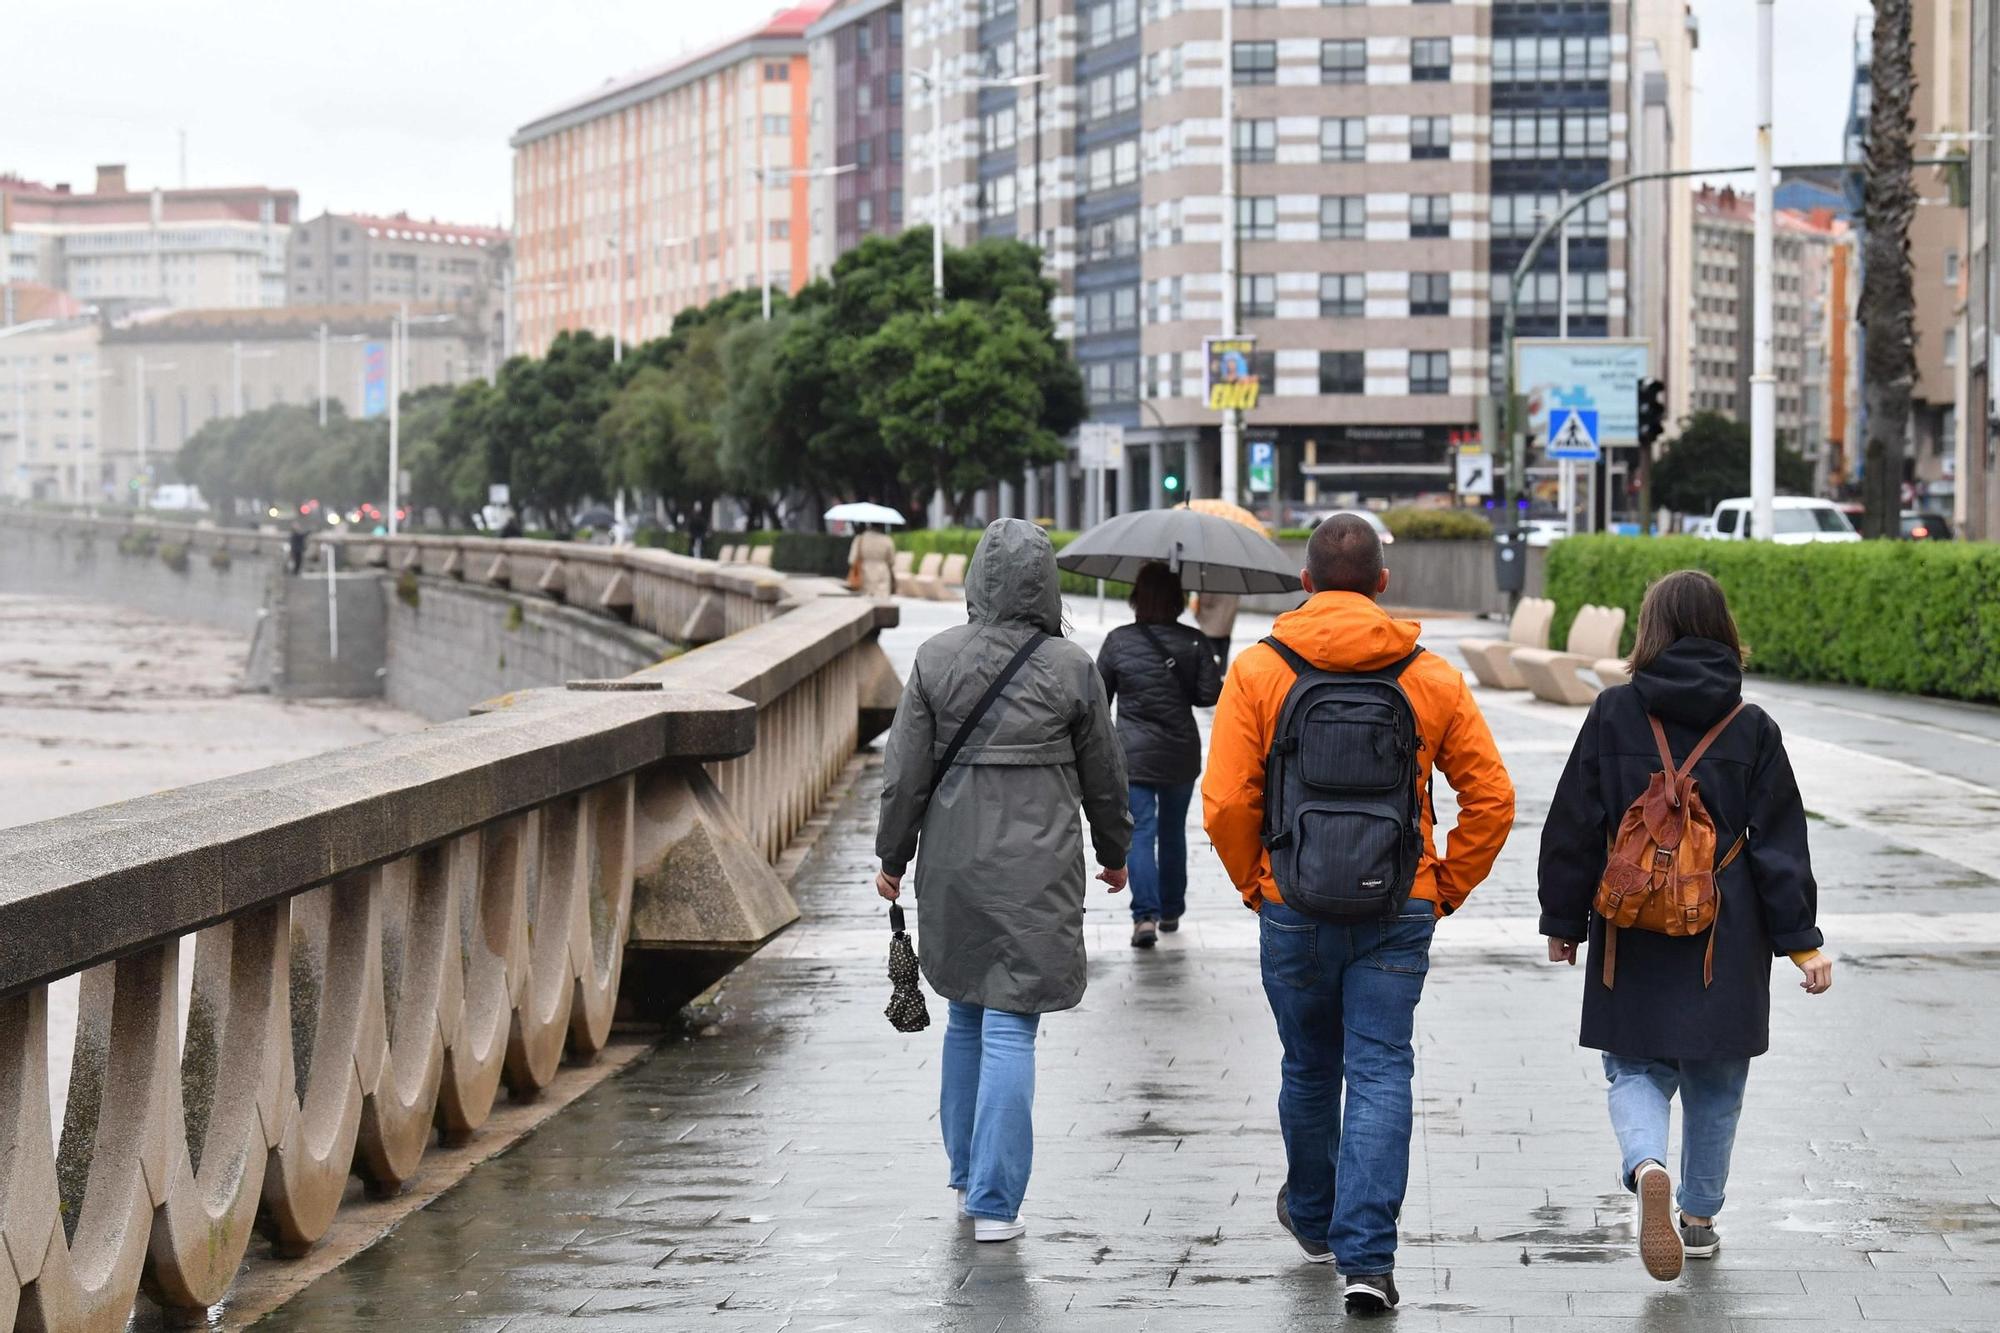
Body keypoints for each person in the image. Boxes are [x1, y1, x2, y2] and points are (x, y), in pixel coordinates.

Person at [1202, 514, 1514, 1312]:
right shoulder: (1428, 674)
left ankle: (1313, 1217)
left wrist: (1255, 882)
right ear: (1382, 584)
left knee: (1309, 1066)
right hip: (1398, 903)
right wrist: (1444, 885)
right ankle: (1368, 1260)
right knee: (1380, 1068)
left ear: (1305, 584)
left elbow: (1227, 801)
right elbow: (1492, 797)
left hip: (1290, 901)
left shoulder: (1259, 670)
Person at [1538, 569, 1831, 1282]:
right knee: (1718, 1076)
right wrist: (1802, 943)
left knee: (1634, 1063)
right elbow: (1781, 843)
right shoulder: (1752, 726)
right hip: (1725, 931)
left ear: (1650, 629)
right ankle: (1697, 1218)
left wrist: (1562, 918)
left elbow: (1574, 821)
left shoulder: (1613, 713)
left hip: (1630, 923)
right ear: (1725, 631)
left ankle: (1646, 1165)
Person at [875, 519, 1133, 1243]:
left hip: (953, 866)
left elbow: (905, 777)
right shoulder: (1072, 667)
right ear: (1046, 584)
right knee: (1013, 1023)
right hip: (1039, 869)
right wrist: (1116, 853)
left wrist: (892, 858)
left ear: (976, 580)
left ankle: (966, 1178)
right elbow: (1106, 779)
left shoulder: (935, 659)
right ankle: (996, 1201)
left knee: (964, 1011)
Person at [1095, 562, 1222, 948]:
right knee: (1172, 833)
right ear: (1178, 600)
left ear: (1136, 598)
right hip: (1180, 754)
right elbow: (1208, 696)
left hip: (1132, 755)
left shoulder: (1118, 641)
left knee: (1141, 832)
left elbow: (1100, 697)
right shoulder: (1195, 641)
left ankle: (1144, 918)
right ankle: (1171, 910)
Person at [848, 521, 898, 598]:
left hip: (864, 572)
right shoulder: (887, 539)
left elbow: (852, 560)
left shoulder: (860, 539)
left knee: (865, 600)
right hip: (882, 572)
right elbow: (892, 560)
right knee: (883, 600)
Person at [1192, 591, 1240, 670]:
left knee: (1208, 665)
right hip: (1227, 627)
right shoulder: (1234, 585)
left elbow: (1205, 601)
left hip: (1209, 628)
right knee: (1222, 664)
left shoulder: (1211, 584)